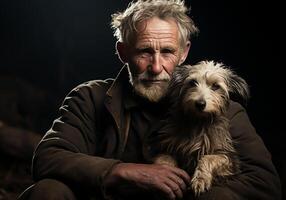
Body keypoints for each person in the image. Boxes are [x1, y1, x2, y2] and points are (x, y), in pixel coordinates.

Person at [18, 0, 281, 199]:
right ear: (123, 52)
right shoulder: (89, 97)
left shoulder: (221, 111)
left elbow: (265, 183)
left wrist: (188, 191)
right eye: (144, 51)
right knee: (48, 191)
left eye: (167, 51)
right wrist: (121, 171)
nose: (156, 67)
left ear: (183, 53)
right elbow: (48, 158)